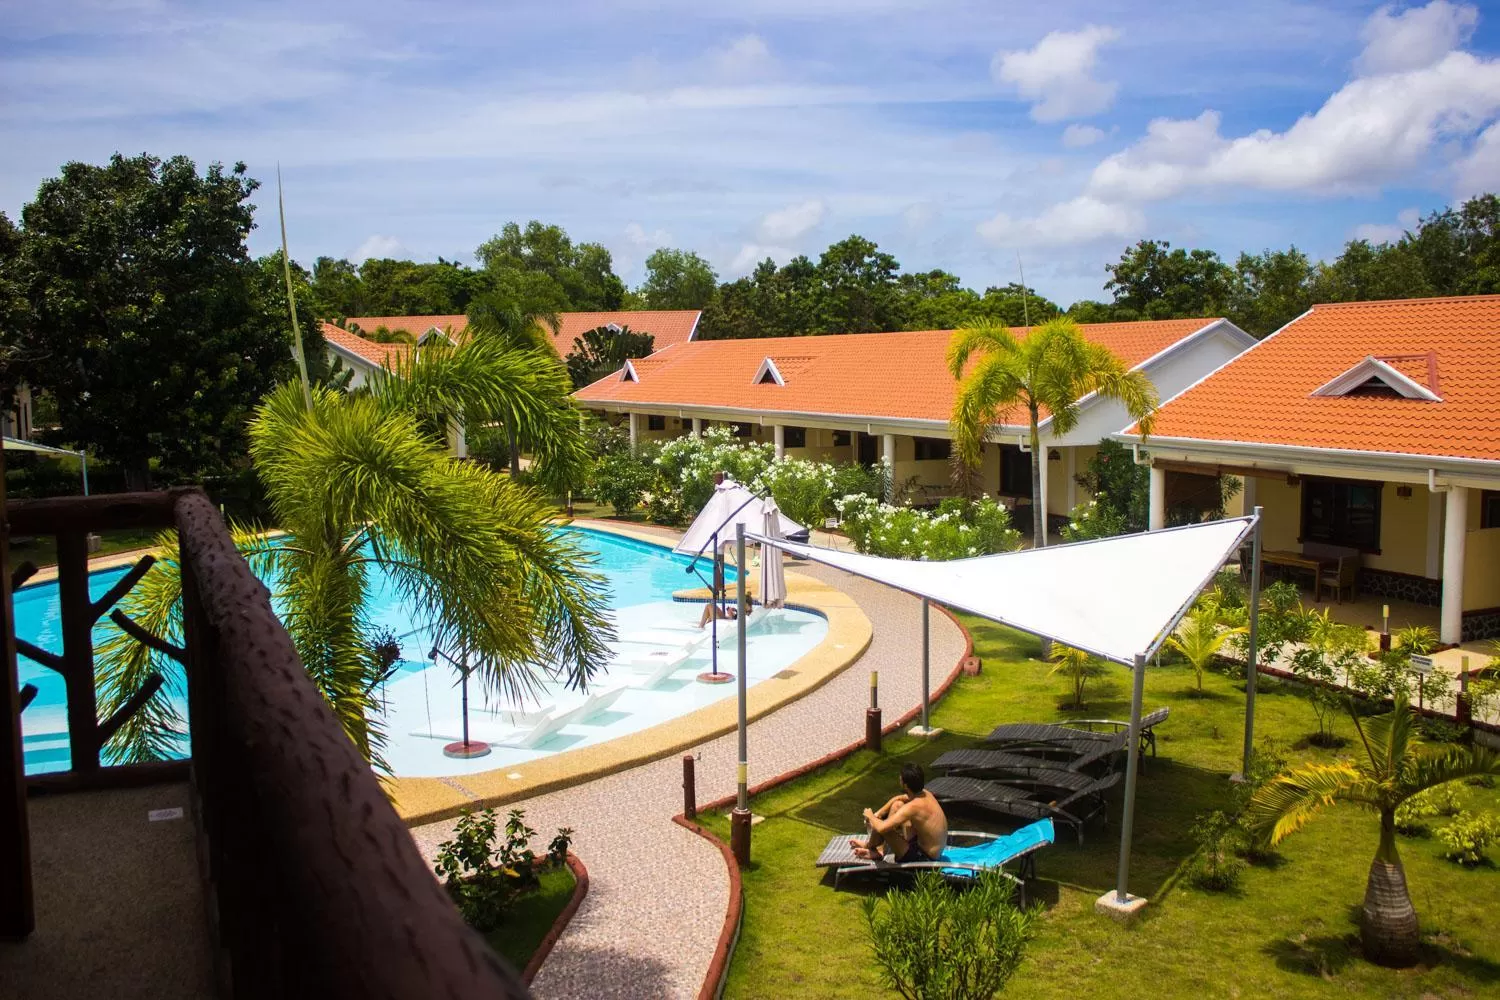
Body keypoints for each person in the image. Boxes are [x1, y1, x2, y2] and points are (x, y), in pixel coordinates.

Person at [849, 763, 948, 862]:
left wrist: (870, 815)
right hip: (928, 847)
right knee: (897, 805)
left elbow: (881, 828)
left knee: (880, 825)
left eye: (900, 779)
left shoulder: (913, 807)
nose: (899, 780)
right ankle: (879, 851)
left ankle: (870, 846)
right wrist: (879, 813)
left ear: (905, 785)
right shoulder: (925, 793)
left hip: (924, 858)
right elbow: (898, 798)